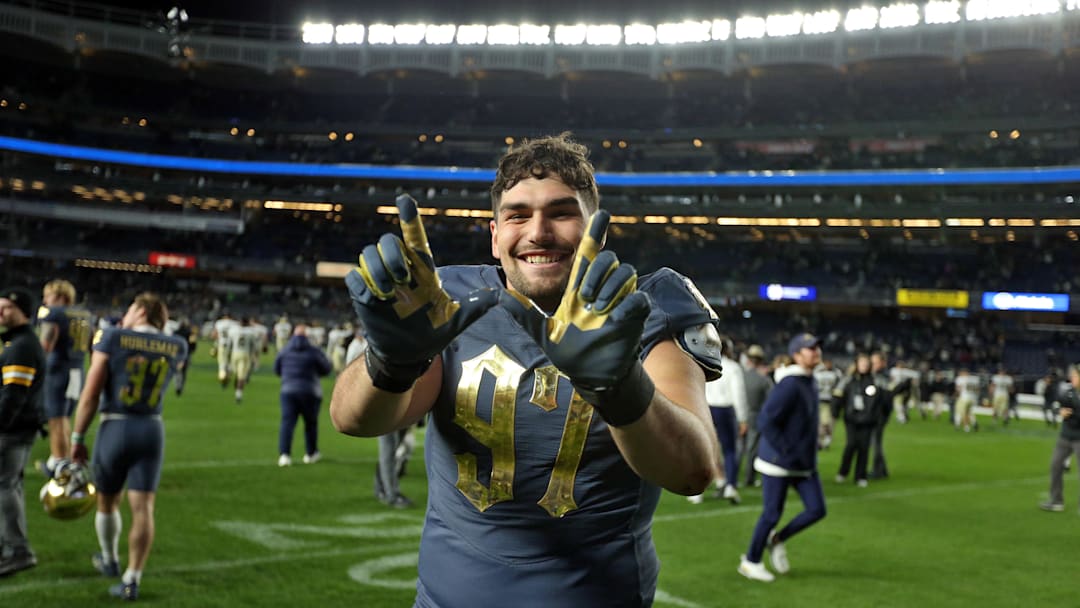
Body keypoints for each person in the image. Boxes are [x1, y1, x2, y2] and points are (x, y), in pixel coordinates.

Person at [330, 134, 722, 607]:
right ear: (495, 237)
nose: (538, 232)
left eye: (561, 212)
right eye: (518, 215)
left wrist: (618, 385)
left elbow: (693, 472)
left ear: (595, 230)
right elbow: (355, 420)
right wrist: (390, 362)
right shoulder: (449, 302)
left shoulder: (645, 308)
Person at [69, 293, 188, 600]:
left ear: (139, 311)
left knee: (107, 502)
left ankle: (109, 559)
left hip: (116, 425)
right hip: (151, 428)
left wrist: (78, 437)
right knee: (144, 508)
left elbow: (91, 393)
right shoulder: (176, 345)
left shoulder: (114, 337)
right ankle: (132, 578)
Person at [738, 333, 827, 583]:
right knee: (771, 514)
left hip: (803, 463)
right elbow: (765, 420)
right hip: (778, 463)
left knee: (817, 510)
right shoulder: (790, 385)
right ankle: (750, 561)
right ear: (797, 355)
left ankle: (776, 540)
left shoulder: (810, 381)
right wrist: (786, 449)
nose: (816, 351)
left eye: (818, 347)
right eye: (810, 348)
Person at [0, 287, 47, 577]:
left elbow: (13, 398)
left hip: (12, 429)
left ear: (24, 312)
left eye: (6, 307)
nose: (1, 312)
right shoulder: (17, 342)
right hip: (16, 427)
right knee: (8, 486)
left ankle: (18, 550)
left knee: (5, 488)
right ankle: (10, 545)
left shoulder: (22, 346)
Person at [37, 279, 93, 478]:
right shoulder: (86, 315)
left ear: (61, 296)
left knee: (56, 419)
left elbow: (45, 347)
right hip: (77, 370)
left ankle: (60, 465)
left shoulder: (55, 314)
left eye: (48, 296)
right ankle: (62, 459)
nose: (45, 300)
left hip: (58, 370)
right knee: (64, 417)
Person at [690, 337, 746, 505]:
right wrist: (743, 418)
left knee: (702, 449)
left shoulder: (701, 363)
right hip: (725, 409)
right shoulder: (733, 367)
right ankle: (730, 486)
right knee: (729, 450)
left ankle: (697, 491)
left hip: (705, 407)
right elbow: (739, 395)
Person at [274, 325, 332, 467]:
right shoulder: (314, 351)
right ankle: (310, 454)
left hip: (288, 391)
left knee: (287, 424)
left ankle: (284, 455)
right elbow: (326, 369)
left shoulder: (285, 350)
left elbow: (277, 369)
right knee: (310, 424)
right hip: (310, 391)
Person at [835, 354, 883, 488]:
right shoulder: (849, 380)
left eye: (866, 364)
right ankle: (843, 472)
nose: (864, 366)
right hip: (851, 419)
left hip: (868, 420)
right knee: (850, 445)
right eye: (861, 363)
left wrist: (876, 416)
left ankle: (860, 476)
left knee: (864, 448)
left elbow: (880, 401)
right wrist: (837, 411)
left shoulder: (874, 381)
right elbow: (840, 396)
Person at [1040, 364, 1080, 512]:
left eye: (1075, 375)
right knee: (1055, 465)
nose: (1072, 378)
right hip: (1065, 436)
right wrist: (1060, 411)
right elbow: (1055, 404)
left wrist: (1073, 413)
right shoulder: (1068, 392)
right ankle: (1056, 501)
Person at [739, 344, 773, 488]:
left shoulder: (739, 375)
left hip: (737, 414)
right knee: (752, 449)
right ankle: (749, 478)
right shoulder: (763, 379)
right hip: (755, 415)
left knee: (736, 449)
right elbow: (771, 401)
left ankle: (730, 478)